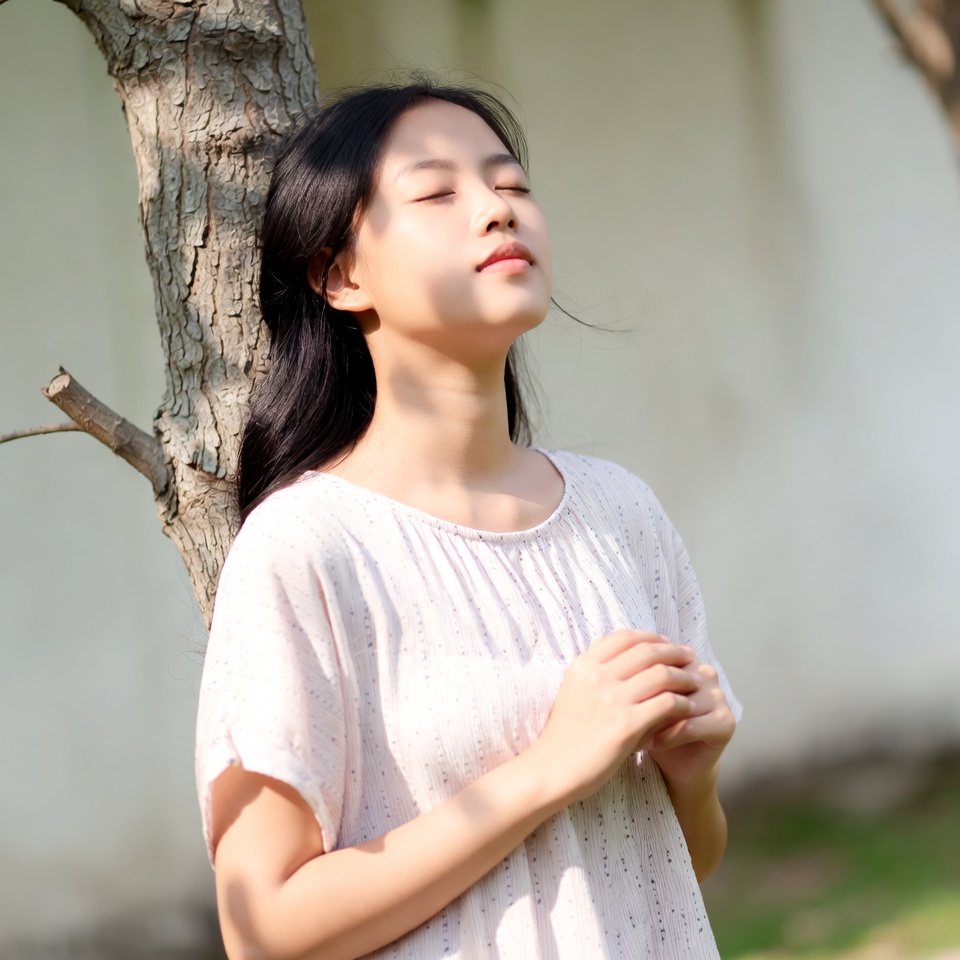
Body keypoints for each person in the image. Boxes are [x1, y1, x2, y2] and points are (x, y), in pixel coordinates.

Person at [195, 80, 742, 960]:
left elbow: (679, 869)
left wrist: (695, 779)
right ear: (340, 274)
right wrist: (548, 769)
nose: (496, 210)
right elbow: (264, 931)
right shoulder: (307, 548)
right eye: (437, 192)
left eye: (511, 184)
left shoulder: (620, 512)